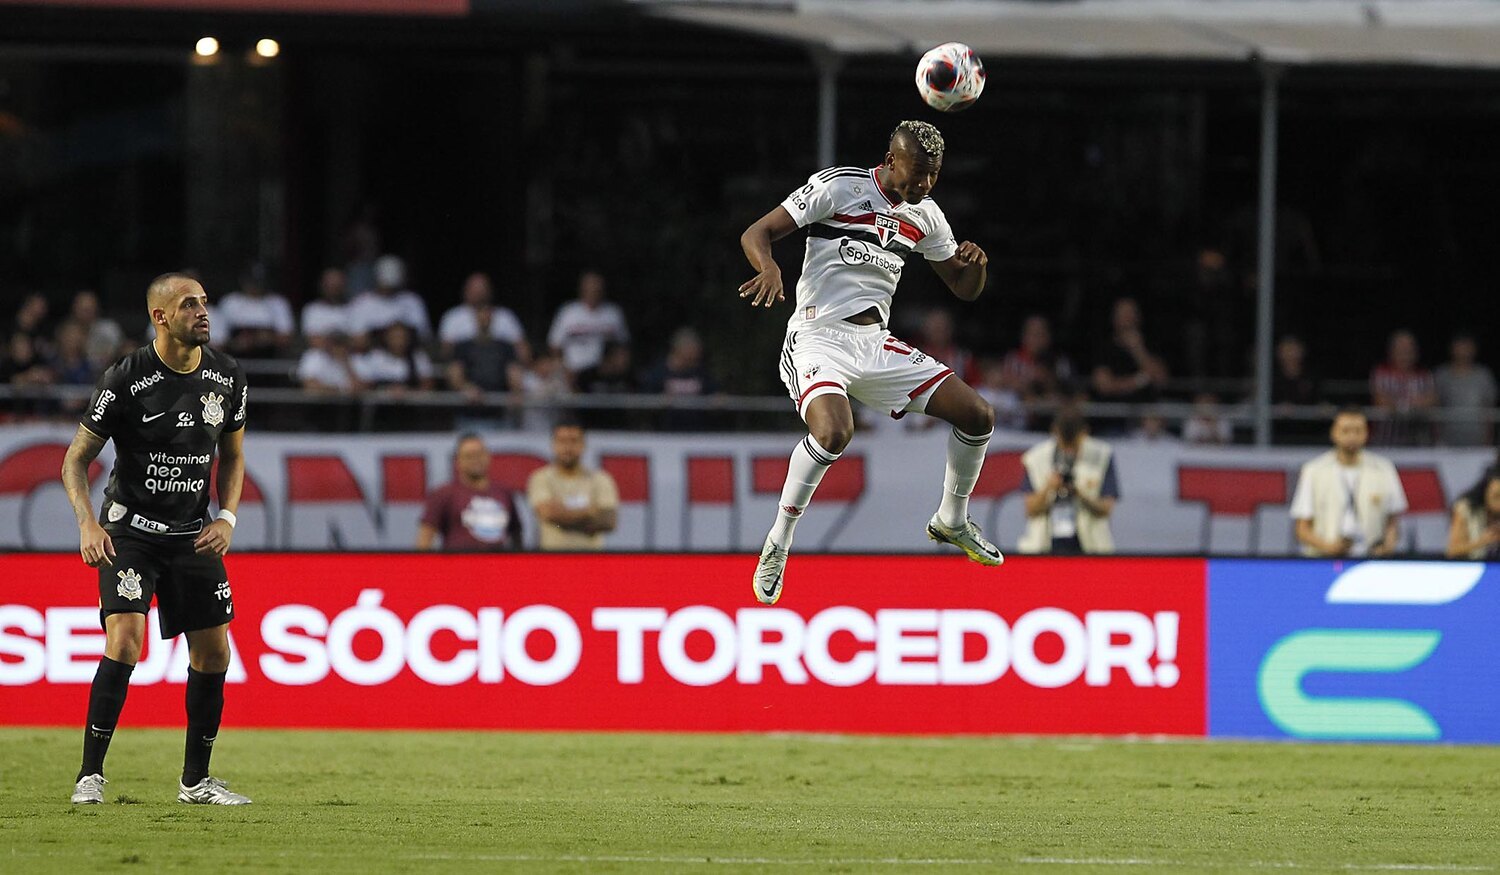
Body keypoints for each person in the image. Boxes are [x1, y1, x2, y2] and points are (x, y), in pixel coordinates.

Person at [737, 120, 1002, 605]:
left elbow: (962, 288)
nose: (924, 185)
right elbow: (758, 232)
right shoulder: (840, 186)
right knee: (835, 432)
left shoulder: (926, 215)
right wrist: (769, 267)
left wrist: (976, 267)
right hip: (818, 336)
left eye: (933, 176)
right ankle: (779, 540)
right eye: (917, 173)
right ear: (892, 159)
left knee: (979, 415)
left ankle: (952, 519)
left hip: (874, 344)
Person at [60, 272, 251, 806]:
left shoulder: (228, 376)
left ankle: (196, 782)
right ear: (160, 317)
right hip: (130, 532)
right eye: (189, 304)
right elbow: (75, 460)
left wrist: (228, 517)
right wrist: (86, 523)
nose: (203, 312)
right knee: (125, 639)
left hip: (194, 533)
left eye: (205, 302)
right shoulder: (125, 378)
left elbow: (233, 456)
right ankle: (90, 776)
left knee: (215, 652)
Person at [1289, 407, 1408, 558]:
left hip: (1370, 558)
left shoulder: (1384, 469)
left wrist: (1386, 548)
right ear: (1334, 433)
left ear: (1366, 434)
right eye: (1346, 431)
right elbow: (1302, 529)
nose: (1352, 437)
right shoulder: (1314, 471)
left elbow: (1393, 521)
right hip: (1323, 559)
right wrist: (1328, 547)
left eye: (1358, 431)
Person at [1018, 411, 1119, 554]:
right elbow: (1030, 509)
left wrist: (1080, 494)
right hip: (1044, 544)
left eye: (1074, 445)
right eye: (1065, 444)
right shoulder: (1036, 458)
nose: (1069, 450)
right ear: (1055, 432)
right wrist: (1049, 487)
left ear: (1085, 433)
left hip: (1090, 545)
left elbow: (1105, 509)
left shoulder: (1102, 455)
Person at [417, 434, 523, 551]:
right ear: (458, 462)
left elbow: (516, 534)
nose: (476, 460)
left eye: (480, 454)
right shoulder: (443, 494)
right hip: (458, 566)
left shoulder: (503, 493)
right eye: (469, 456)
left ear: (488, 456)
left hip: (495, 566)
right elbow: (425, 538)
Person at [526, 419, 619, 550]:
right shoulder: (541, 478)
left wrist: (562, 518)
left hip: (591, 562)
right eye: (562, 441)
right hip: (553, 561)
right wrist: (589, 512)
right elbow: (548, 514)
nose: (568, 448)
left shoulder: (600, 479)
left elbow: (608, 521)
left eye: (574, 441)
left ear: (583, 445)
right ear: (553, 444)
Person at [546, 270, 629, 375]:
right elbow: (554, 345)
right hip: (573, 370)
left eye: (596, 287)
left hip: (603, 371)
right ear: (582, 289)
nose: (593, 290)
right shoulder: (568, 312)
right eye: (590, 287)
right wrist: (564, 367)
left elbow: (623, 345)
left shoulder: (613, 313)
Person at [438, 272, 531, 363]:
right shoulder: (453, 317)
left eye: (482, 289)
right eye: (475, 289)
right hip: (467, 367)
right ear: (466, 290)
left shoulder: (505, 316)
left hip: (499, 366)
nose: (479, 293)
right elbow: (446, 351)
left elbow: (523, 350)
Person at [640, 326, 717, 431]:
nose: (697, 353)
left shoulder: (701, 372)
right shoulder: (658, 373)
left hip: (697, 436)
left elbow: (715, 394)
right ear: (680, 348)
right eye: (693, 349)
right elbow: (645, 402)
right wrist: (660, 402)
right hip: (666, 436)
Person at [214, 262, 296, 359]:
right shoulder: (230, 302)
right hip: (234, 359)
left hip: (270, 361)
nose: (255, 287)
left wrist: (261, 339)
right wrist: (234, 343)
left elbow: (286, 338)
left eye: (259, 283)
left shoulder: (277, 303)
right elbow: (216, 338)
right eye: (252, 282)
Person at [1370, 329, 1437, 447]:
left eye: (1408, 350)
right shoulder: (1381, 373)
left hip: (1417, 443)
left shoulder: (1424, 375)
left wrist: (1398, 404)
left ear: (1416, 352)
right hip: (1386, 443)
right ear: (1391, 351)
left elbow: (1430, 401)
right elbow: (1381, 401)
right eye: (1401, 350)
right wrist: (1410, 405)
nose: (1405, 354)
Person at [349, 255, 432, 343]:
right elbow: (356, 338)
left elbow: (424, 335)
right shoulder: (361, 303)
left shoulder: (412, 301)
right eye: (385, 285)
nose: (389, 290)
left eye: (392, 286)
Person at [1434, 332, 1496, 447]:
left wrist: (1488, 441)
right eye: (1460, 346)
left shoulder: (1484, 375)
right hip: (1448, 440)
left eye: (1467, 346)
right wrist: (1438, 439)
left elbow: (1490, 411)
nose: (1463, 351)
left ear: (1474, 349)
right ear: (1452, 348)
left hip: (1478, 440)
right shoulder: (1442, 375)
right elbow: (1436, 409)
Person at [1271, 334, 1325, 444]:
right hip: (1279, 435)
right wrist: (1277, 409)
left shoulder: (1311, 376)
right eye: (1287, 349)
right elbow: (1264, 405)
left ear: (1301, 351)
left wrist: (1322, 408)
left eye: (1294, 348)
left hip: (1309, 433)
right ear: (1279, 352)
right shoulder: (1271, 377)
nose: (1290, 353)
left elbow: (1318, 401)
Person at [1446, 468, 1500, 560]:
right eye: (1496, 496)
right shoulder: (1467, 509)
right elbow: (1452, 551)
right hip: (1473, 565)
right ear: (1485, 493)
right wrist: (1483, 541)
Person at [69, 290, 125, 370]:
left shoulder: (109, 328)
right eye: (83, 309)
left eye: (90, 309)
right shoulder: (67, 332)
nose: (86, 313)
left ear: (97, 308)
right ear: (74, 309)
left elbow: (120, 352)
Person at [300, 268, 353, 349]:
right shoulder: (312, 310)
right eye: (330, 285)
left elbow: (359, 341)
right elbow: (314, 341)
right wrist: (341, 340)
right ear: (322, 286)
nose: (334, 289)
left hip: (348, 357)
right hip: (319, 357)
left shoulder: (354, 309)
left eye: (337, 285)